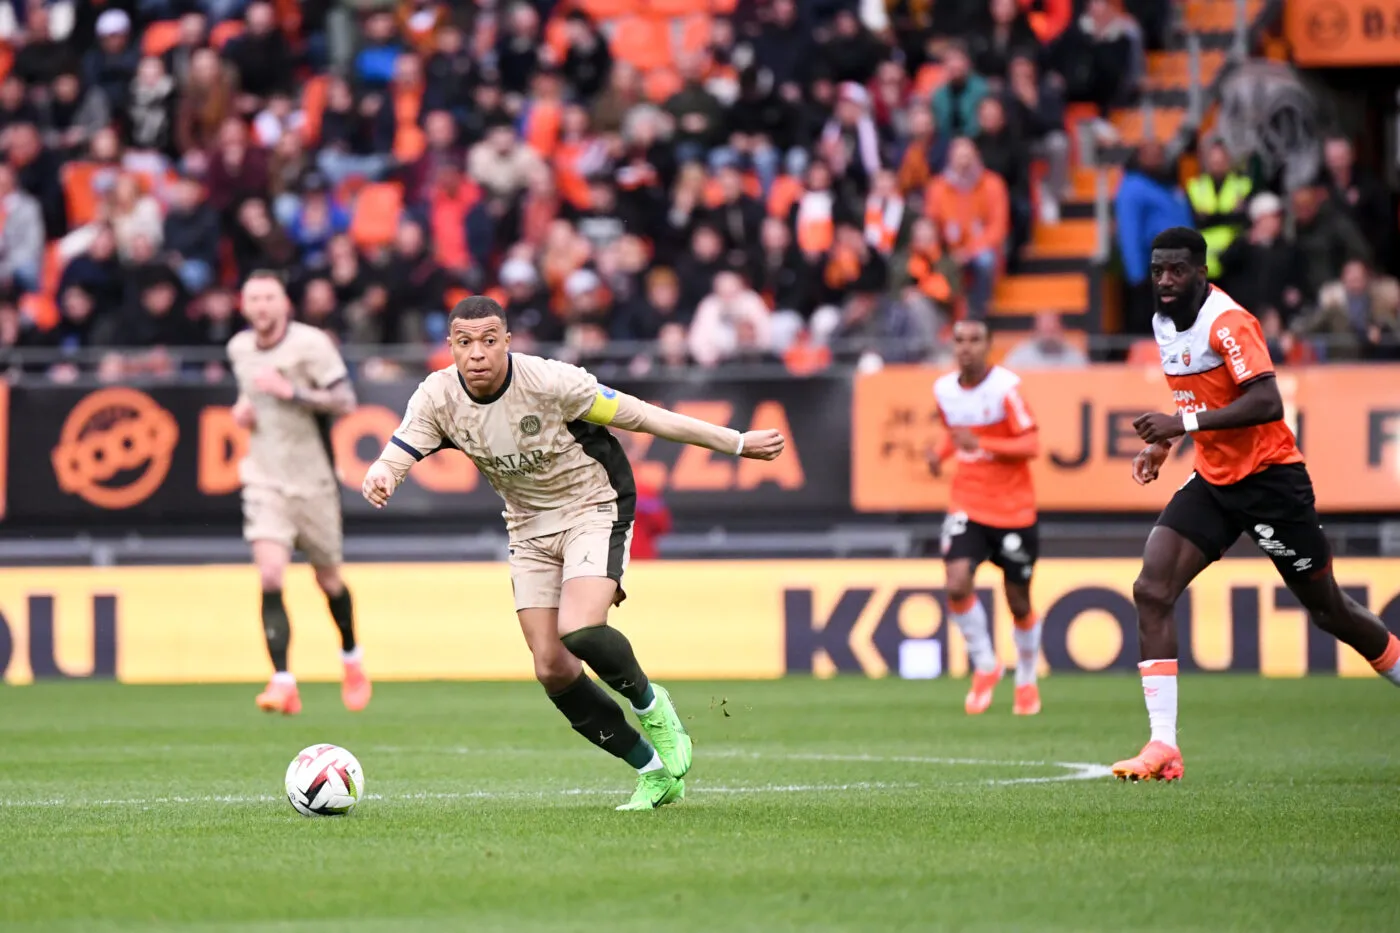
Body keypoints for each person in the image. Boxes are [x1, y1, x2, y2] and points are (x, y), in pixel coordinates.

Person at [361, 296, 786, 810]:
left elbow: (645, 417)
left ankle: (653, 707)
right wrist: (382, 473)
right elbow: (400, 449)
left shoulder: (552, 382)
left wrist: (737, 443)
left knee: (580, 627)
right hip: (527, 526)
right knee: (551, 667)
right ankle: (652, 772)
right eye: (465, 342)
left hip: (593, 504)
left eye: (489, 340)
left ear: (508, 342)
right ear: (450, 346)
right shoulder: (437, 396)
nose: (477, 353)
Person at [1115, 227, 1400, 782]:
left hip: (1271, 482)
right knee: (1151, 588)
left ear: (1201, 272)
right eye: (1157, 271)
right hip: (1216, 482)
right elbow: (1196, 397)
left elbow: (1266, 400)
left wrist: (1181, 424)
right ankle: (1163, 745)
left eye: (1176, 271)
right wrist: (1163, 441)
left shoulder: (1229, 321)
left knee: (1329, 611)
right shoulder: (1162, 322)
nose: (1165, 281)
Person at [227, 272, 371, 716]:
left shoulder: (311, 345)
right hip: (264, 478)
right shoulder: (239, 349)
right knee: (270, 575)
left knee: (328, 580)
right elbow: (249, 398)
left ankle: (351, 658)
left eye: (269, 297)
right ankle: (283, 682)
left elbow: (346, 401)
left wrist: (290, 391)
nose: (262, 306)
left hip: (314, 482)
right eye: (254, 299)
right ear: (244, 305)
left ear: (285, 303)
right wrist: (243, 411)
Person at [925, 320, 1043, 717]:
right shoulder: (943, 390)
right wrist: (939, 455)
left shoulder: (1006, 389)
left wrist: (984, 443)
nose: (966, 348)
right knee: (956, 583)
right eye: (959, 340)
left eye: (975, 340)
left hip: (1013, 509)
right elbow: (954, 434)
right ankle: (985, 665)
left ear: (989, 345)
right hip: (967, 504)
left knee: (1018, 601)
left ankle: (1025, 676)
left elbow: (1031, 443)